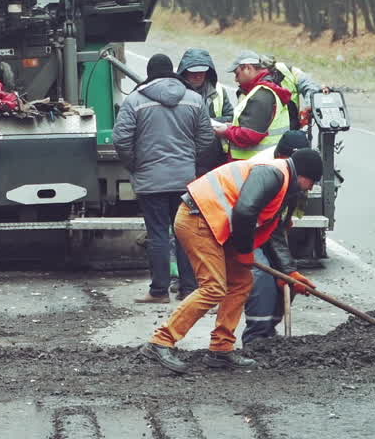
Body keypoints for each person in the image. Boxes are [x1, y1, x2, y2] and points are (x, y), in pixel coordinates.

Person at [141, 147, 322, 373]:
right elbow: (245, 211)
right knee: (214, 288)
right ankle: (160, 342)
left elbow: (272, 230)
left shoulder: (283, 184)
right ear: (303, 175)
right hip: (198, 218)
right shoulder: (273, 174)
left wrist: (289, 272)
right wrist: (245, 251)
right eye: (312, 182)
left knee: (241, 282)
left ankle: (221, 349)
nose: (311, 188)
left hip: (212, 222)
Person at [113, 52, 223, 304]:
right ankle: (188, 289)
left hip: (150, 180)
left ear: (149, 74)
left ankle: (159, 291)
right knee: (185, 233)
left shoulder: (135, 101)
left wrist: (135, 165)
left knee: (158, 234)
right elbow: (207, 138)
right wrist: (191, 163)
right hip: (185, 179)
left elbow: (121, 139)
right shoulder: (195, 99)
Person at [243, 129, 313, 340]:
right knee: (261, 277)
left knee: (283, 277)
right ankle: (256, 336)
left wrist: (287, 271)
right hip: (242, 228)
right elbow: (259, 220)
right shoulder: (268, 169)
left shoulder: (293, 170)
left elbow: (277, 223)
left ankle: (269, 331)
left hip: (262, 225)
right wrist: (286, 268)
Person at [211, 51, 292, 159]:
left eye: (237, 73)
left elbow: (249, 135)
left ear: (248, 68)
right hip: (262, 161)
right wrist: (231, 127)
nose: (235, 79)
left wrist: (226, 131)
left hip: (255, 163)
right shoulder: (262, 91)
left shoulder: (261, 94)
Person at [176, 47, 234, 121]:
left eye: (201, 72)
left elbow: (230, 116)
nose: (198, 76)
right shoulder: (175, 92)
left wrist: (208, 123)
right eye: (193, 72)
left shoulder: (219, 91)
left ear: (208, 72)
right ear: (185, 72)